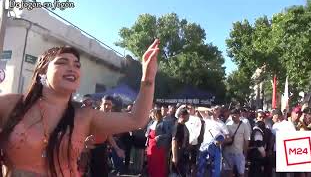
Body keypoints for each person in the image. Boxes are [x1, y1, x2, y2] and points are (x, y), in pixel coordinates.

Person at [0, 39, 159, 176]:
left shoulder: (84, 116)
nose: (72, 68)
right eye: (62, 62)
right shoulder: (12, 105)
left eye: (77, 65)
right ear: (43, 71)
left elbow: (136, 119)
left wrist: (148, 78)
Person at [197, 106, 230, 177]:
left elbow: (228, 138)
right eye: (215, 110)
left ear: (219, 113)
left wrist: (221, 142)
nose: (215, 111)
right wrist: (209, 109)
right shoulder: (207, 118)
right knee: (201, 167)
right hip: (204, 146)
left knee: (216, 169)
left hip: (216, 147)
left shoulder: (222, 124)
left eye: (217, 110)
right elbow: (199, 109)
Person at [223, 109, 250, 177]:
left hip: (239, 153)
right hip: (228, 152)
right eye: (232, 116)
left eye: (235, 115)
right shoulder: (227, 124)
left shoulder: (244, 125)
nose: (233, 117)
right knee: (229, 171)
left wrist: (245, 153)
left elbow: (246, 140)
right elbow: (224, 137)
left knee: (241, 172)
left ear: (239, 115)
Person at [145, 107, 171, 177]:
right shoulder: (151, 122)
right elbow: (147, 131)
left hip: (158, 146)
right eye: (152, 114)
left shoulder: (164, 123)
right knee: (151, 161)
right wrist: (146, 134)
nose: (152, 116)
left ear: (157, 114)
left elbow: (168, 134)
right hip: (150, 144)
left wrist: (159, 137)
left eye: (153, 114)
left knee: (158, 162)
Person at [171, 108, 190, 177]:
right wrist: (175, 157)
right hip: (178, 153)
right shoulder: (177, 126)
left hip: (183, 153)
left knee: (183, 173)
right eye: (188, 116)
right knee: (177, 173)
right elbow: (174, 142)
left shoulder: (183, 125)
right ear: (182, 116)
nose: (189, 117)